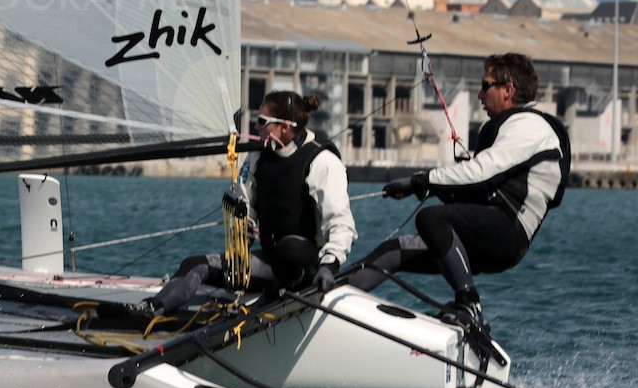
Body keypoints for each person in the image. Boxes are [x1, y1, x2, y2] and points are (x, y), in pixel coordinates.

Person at [341, 52, 569, 333]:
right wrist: (429, 188)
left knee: (431, 219)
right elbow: (478, 186)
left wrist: (419, 182)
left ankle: (469, 304)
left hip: (509, 232)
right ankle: (332, 293)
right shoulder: (512, 127)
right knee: (394, 251)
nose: (479, 95)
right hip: (485, 226)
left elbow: (482, 173)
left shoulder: (530, 126)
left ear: (508, 90)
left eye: (485, 86)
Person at [144, 91, 356, 314]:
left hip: (308, 265)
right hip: (273, 262)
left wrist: (329, 265)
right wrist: (245, 225)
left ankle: (275, 295)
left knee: (289, 248)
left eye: (262, 121)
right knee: (195, 265)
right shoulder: (257, 156)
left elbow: (342, 225)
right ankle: (152, 309)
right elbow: (243, 202)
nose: (255, 126)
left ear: (285, 127)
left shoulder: (322, 162)